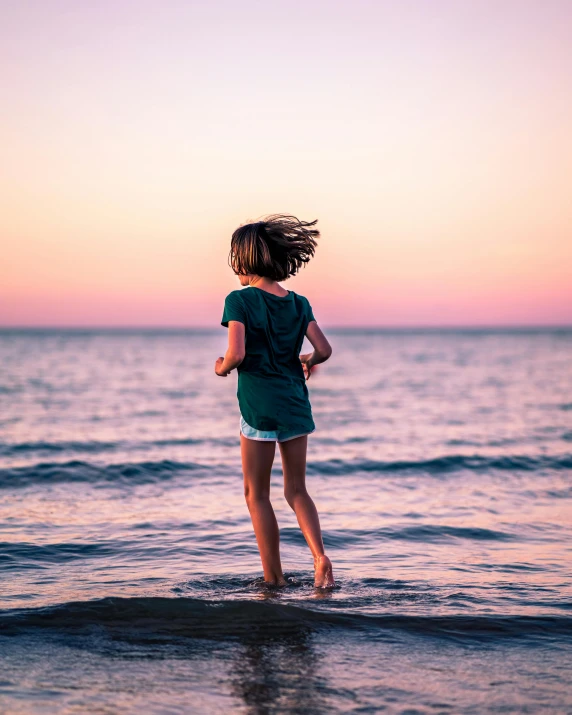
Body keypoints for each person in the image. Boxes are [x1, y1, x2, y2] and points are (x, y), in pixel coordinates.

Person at [215, 214, 335, 588]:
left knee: (256, 493)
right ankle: (319, 557)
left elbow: (236, 353)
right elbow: (324, 349)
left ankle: (275, 580)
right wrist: (307, 360)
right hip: (295, 405)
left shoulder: (239, 300)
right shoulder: (298, 303)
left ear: (245, 260)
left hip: (259, 408)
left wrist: (221, 368)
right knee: (296, 490)